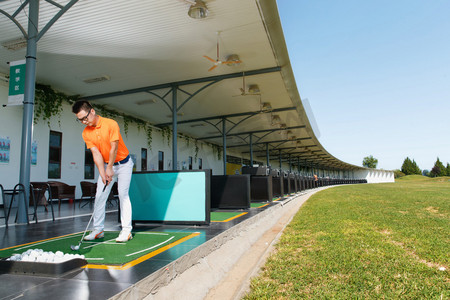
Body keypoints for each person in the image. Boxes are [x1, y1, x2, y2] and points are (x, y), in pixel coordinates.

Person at [72, 100, 133, 242]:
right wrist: (103, 172)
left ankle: (126, 231)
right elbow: (96, 153)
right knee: (100, 196)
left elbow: (114, 148)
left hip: (124, 164)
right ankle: (98, 230)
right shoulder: (86, 133)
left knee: (123, 195)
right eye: (79, 120)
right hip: (107, 165)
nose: (83, 122)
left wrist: (110, 168)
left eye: (84, 118)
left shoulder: (110, 124)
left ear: (92, 111)